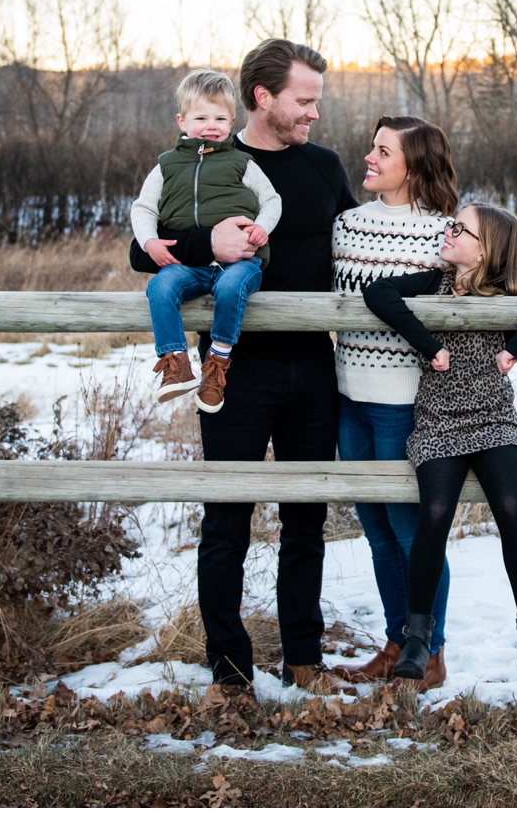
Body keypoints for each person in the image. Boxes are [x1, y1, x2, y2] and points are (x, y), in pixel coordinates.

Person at [129, 39, 359, 696]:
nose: (315, 113)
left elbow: (363, 246)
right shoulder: (206, 161)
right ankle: (228, 674)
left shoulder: (322, 166)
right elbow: (143, 253)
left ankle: (304, 663)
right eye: (304, 100)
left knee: (306, 521)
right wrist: (209, 243)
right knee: (226, 519)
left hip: (315, 369)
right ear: (263, 97)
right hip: (233, 374)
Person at [360, 203, 517, 680]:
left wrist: (514, 351)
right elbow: (378, 292)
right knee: (433, 515)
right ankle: (417, 640)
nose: (448, 230)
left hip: (494, 420)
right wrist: (429, 345)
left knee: (511, 508)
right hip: (438, 423)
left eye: (461, 228)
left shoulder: (508, 286)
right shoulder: (431, 283)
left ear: (487, 249)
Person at [327, 117, 456, 688]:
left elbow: (492, 281)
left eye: (384, 151)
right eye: (372, 147)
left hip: (405, 405)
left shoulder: (445, 234)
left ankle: (429, 654)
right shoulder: (346, 226)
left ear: (415, 164)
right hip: (348, 398)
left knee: (413, 535)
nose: (370, 157)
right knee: (376, 531)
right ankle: (394, 643)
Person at [131, 68, 282, 412]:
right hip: (192, 266)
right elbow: (143, 209)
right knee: (161, 287)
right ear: (182, 121)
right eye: (201, 117)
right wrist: (150, 243)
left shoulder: (242, 162)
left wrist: (262, 227)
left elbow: (272, 200)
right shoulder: (166, 166)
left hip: (242, 262)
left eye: (219, 117)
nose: (211, 125)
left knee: (231, 288)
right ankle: (176, 363)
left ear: (231, 122)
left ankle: (217, 365)